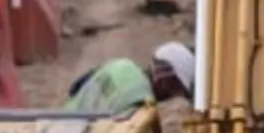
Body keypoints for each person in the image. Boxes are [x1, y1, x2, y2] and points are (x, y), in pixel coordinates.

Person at [63, 42, 196, 114]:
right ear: (164, 77)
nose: (172, 96)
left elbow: (76, 87)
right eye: (175, 88)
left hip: (59, 124)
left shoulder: (121, 64)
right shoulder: (142, 103)